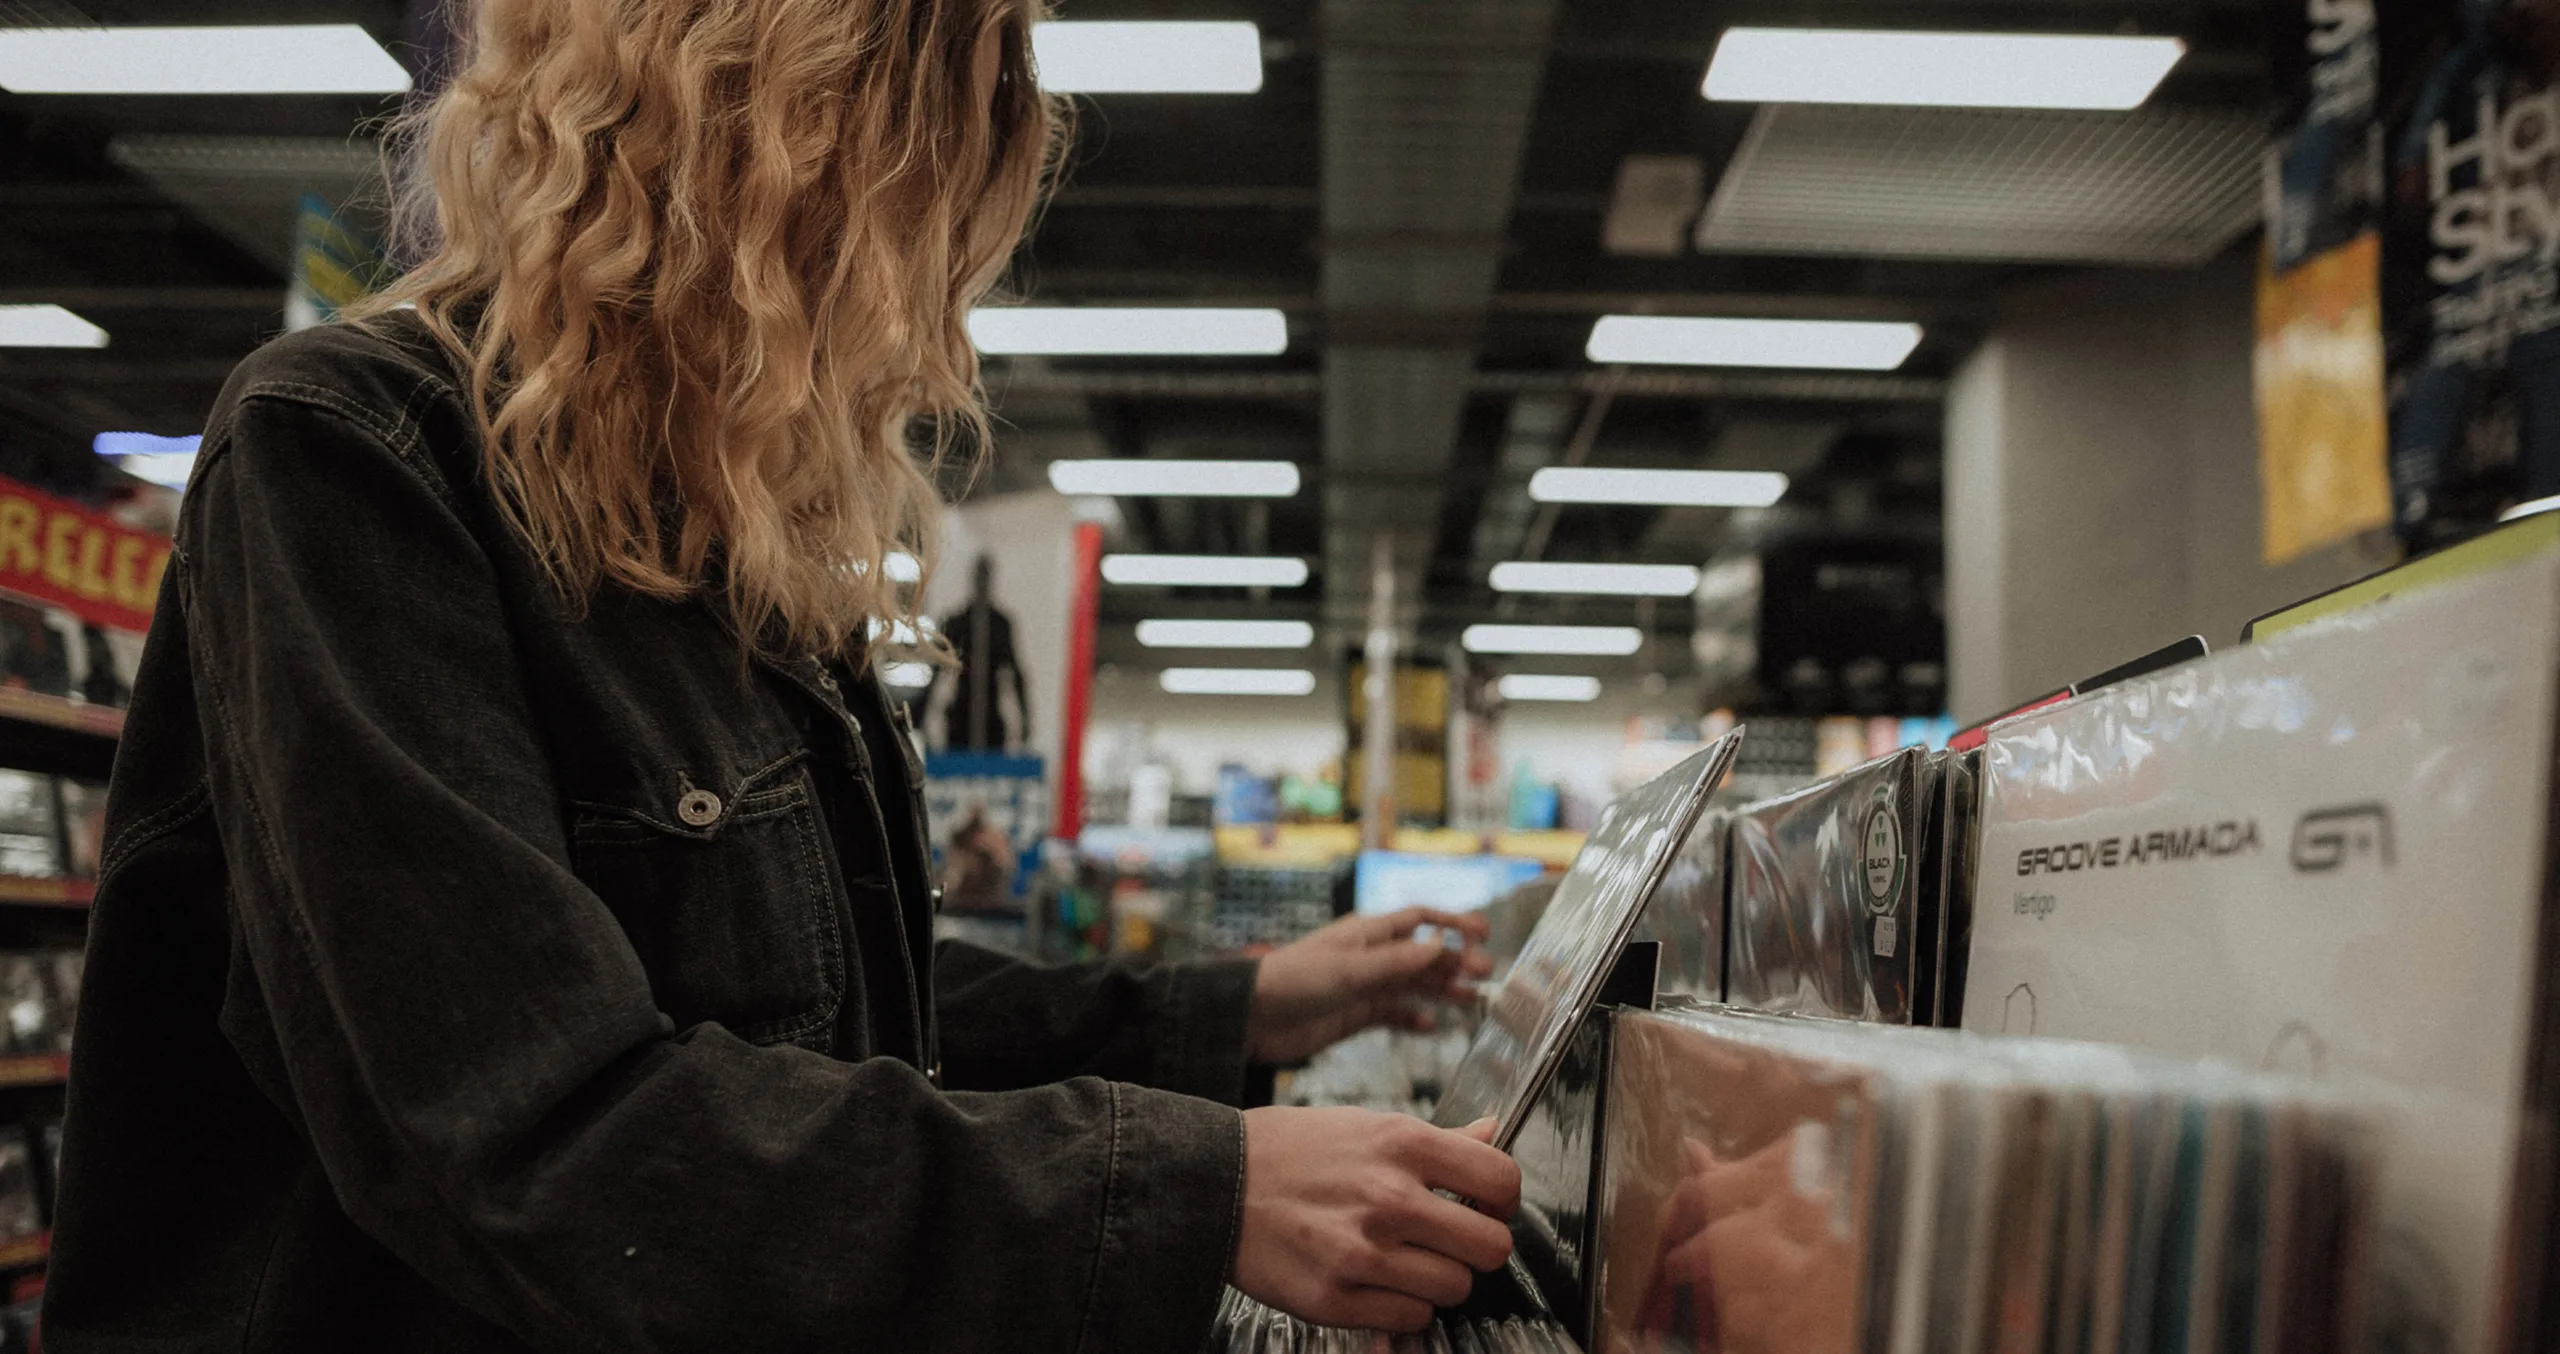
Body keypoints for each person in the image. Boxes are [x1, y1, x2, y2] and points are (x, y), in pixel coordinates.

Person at [40, 0, 1521, 1349]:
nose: (917, 282)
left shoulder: (717, 540)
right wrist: (1197, 1189)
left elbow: (832, 1009)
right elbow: (527, 1127)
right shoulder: (351, 456)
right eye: (892, 180)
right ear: (735, 129)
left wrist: (1241, 1006)